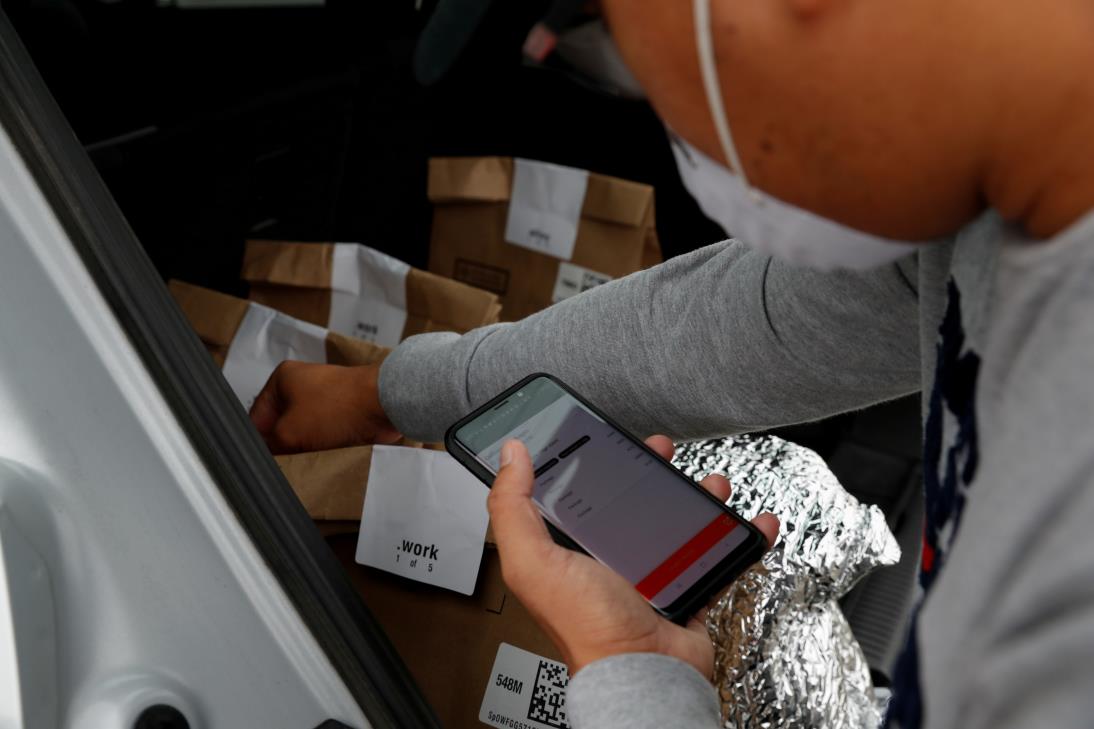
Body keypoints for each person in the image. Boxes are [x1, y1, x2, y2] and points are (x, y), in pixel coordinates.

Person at [250, 0, 1094, 726]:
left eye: (603, 28)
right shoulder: (997, 176)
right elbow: (751, 323)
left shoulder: (1058, 607)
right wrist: (395, 393)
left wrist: (632, 671)